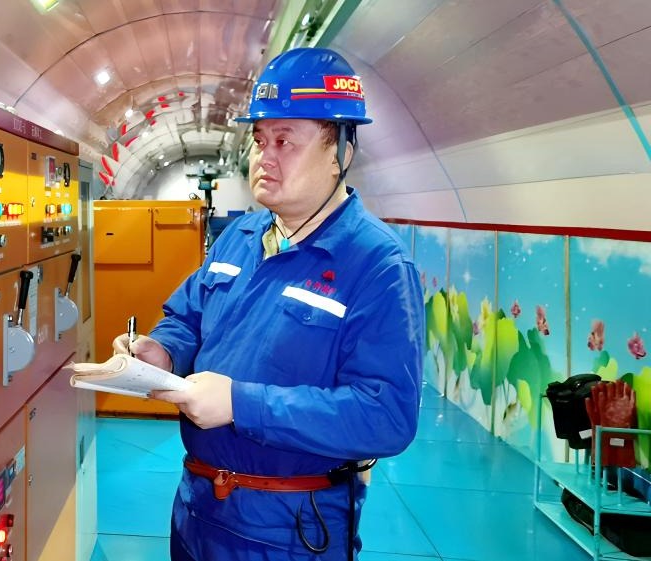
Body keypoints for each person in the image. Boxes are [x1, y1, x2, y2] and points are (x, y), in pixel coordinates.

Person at [112, 47, 426, 560]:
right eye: (259, 140)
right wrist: (163, 352)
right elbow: (188, 317)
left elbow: (386, 414)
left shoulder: (377, 266)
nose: (264, 158)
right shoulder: (241, 236)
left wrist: (241, 404)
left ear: (340, 151)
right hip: (197, 508)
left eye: (285, 141)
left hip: (289, 528)